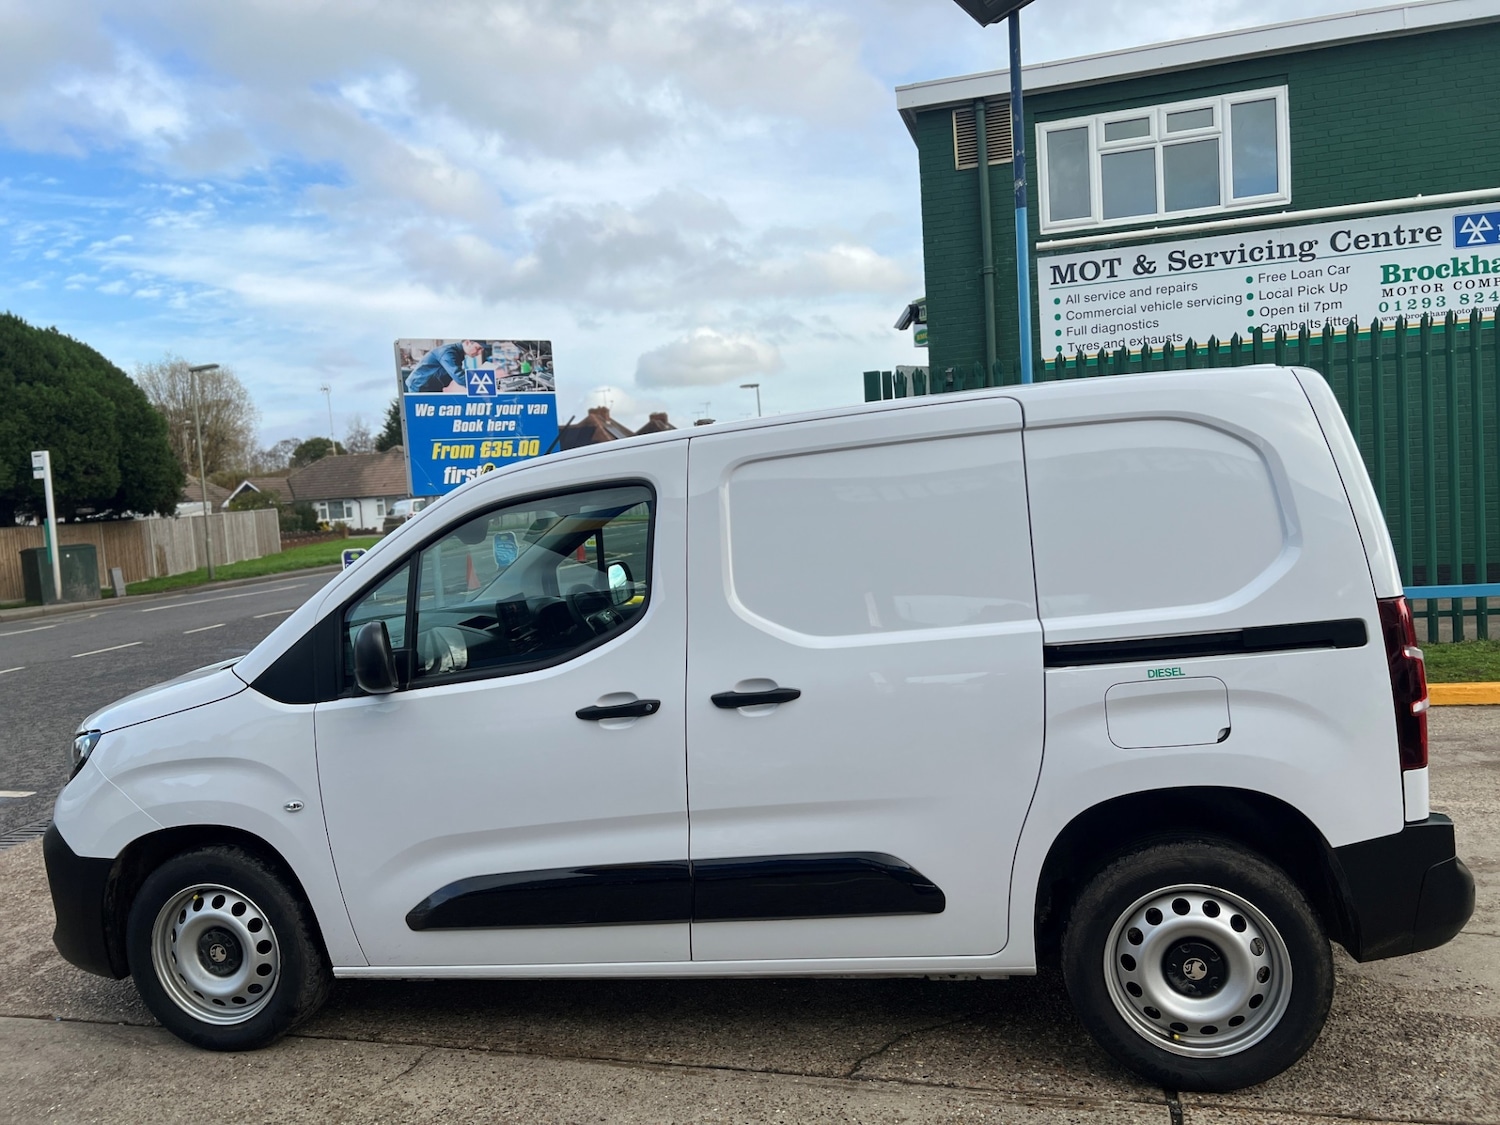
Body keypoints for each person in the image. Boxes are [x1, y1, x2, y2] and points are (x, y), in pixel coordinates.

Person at [405, 340, 484, 394]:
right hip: (420, 386)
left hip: (431, 387)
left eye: (482, 350)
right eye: (478, 348)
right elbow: (459, 376)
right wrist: (482, 387)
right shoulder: (448, 353)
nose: (480, 353)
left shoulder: (456, 353)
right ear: (467, 342)